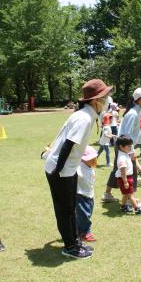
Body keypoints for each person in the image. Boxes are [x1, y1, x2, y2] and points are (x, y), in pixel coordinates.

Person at [44, 79, 112, 259]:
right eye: (105, 97)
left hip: (67, 169)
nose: (107, 101)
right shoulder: (84, 117)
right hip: (62, 170)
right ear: (96, 100)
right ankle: (70, 246)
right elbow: (68, 145)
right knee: (65, 210)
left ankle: (74, 241)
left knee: (70, 207)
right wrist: (58, 170)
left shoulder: (86, 114)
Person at [102, 87, 141, 203]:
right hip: (124, 146)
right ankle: (129, 199)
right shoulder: (133, 113)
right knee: (131, 172)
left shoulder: (137, 111)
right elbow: (127, 135)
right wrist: (131, 152)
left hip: (123, 146)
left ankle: (108, 193)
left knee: (117, 170)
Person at [115, 135, 141, 214]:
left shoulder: (125, 153)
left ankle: (123, 206)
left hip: (127, 178)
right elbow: (123, 172)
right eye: (129, 146)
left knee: (126, 194)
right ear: (121, 147)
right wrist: (125, 182)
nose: (131, 148)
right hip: (125, 178)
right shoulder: (122, 157)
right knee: (130, 195)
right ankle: (137, 208)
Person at [76, 146, 98, 242]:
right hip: (80, 194)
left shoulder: (90, 167)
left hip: (89, 195)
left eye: (94, 158)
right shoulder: (78, 167)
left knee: (87, 214)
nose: (93, 160)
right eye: (90, 159)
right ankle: (85, 233)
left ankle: (78, 230)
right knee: (84, 215)